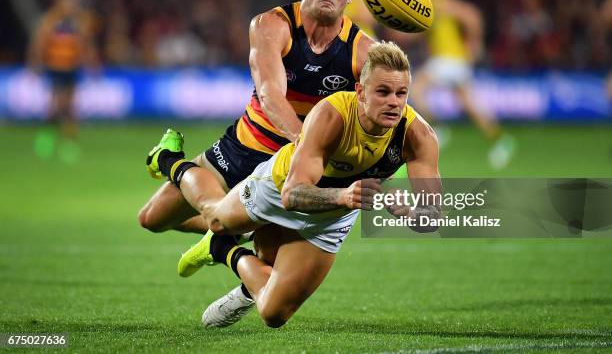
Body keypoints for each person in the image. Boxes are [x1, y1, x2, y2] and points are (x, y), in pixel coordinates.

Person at [145, 42, 441, 328]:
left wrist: (410, 214)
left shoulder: (419, 136)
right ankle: (169, 159)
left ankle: (223, 250)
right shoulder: (331, 115)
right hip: (278, 186)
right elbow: (292, 195)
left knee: (274, 314)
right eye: (383, 92)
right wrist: (343, 196)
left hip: (333, 216)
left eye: (401, 93)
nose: (394, 102)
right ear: (360, 92)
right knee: (215, 218)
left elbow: (433, 218)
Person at [139, 0, 375, 235]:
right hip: (248, 146)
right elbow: (269, 94)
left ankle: (230, 236)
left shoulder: (363, 51)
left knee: (263, 250)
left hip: (296, 166)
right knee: (152, 219)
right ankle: (169, 160)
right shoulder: (272, 25)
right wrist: (306, 144)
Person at [395, 0, 515, 169]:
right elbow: (419, 33)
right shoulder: (429, 6)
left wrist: (474, 45)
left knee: (415, 90)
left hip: (448, 59)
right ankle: (500, 140)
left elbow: (471, 15)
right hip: (452, 61)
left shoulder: (438, 1)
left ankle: (438, 129)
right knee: (468, 103)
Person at [28, 0, 98, 163]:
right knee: (56, 105)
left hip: (72, 68)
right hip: (55, 68)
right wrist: (35, 62)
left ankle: (69, 144)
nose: (70, 6)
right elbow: (39, 42)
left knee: (70, 107)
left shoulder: (78, 22)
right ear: (59, 3)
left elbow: (84, 45)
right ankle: (46, 139)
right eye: (67, 2)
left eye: (72, 3)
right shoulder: (50, 21)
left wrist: (90, 63)